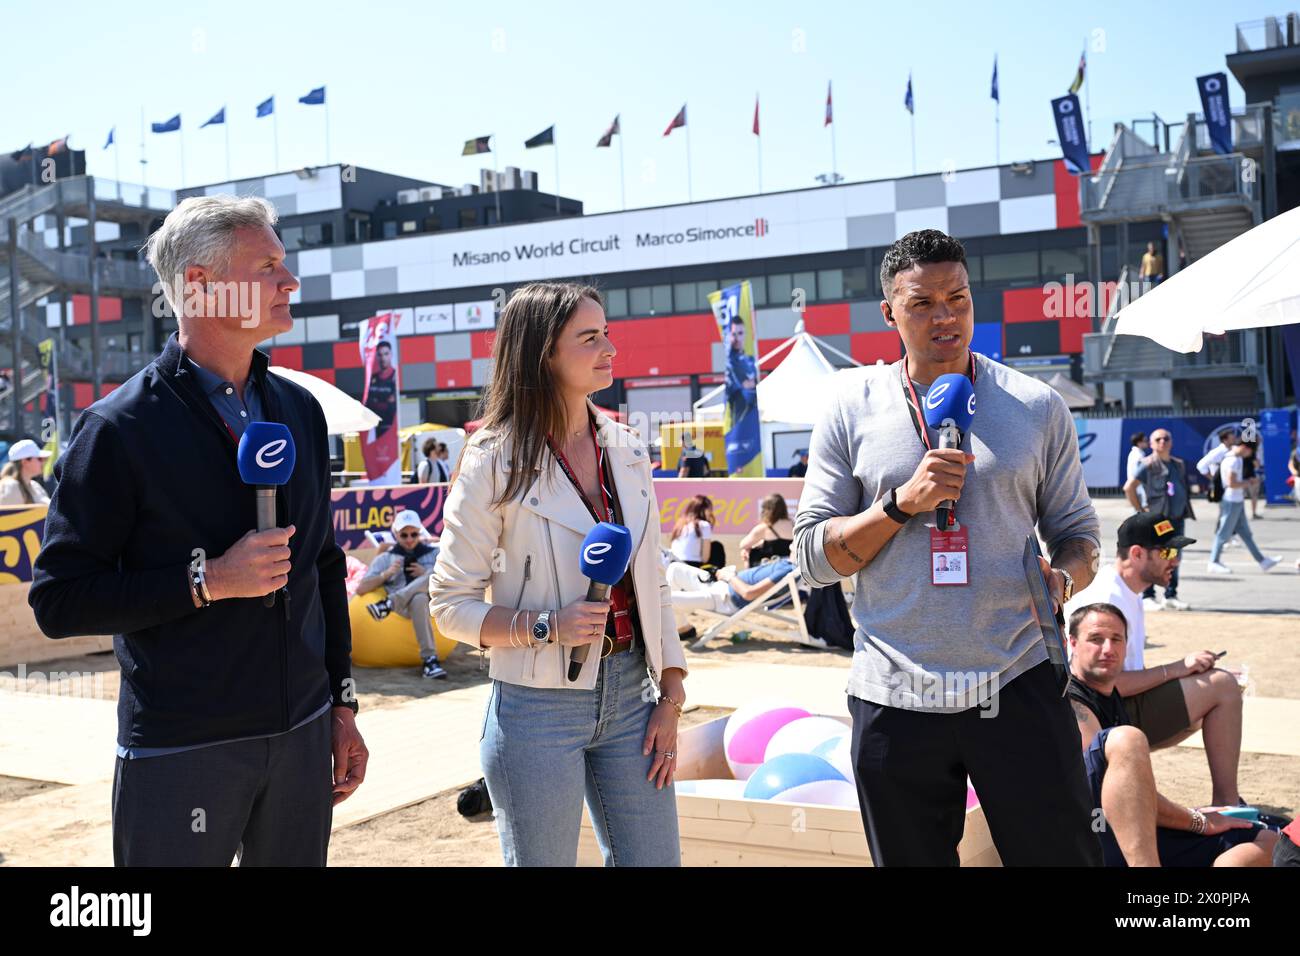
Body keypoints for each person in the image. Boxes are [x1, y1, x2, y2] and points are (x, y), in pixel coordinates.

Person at [29, 195, 366, 866]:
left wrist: (341, 703)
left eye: (285, 264)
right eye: (267, 265)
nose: (289, 282)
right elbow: (59, 602)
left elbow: (322, 565)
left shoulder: (297, 408)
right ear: (202, 285)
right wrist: (207, 581)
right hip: (183, 748)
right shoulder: (117, 431)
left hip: (301, 732)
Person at [793, 229, 1103, 866]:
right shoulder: (851, 406)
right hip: (893, 696)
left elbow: (1080, 536)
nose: (945, 317)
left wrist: (1064, 579)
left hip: (1016, 683)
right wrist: (901, 503)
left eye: (957, 298)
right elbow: (811, 558)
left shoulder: (1036, 405)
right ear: (889, 313)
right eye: (923, 303)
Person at [428, 282, 687, 867]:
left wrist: (671, 691)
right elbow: (448, 605)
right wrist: (546, 626)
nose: (610, 348)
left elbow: (655, 578)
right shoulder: (492, 458)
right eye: (589, 337)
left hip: (633, 699)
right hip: (534, 708)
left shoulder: (625, 446)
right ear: (543, 352)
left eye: (608, 333)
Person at [1067, 603, 1275, 867]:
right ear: (1072, 642)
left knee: (1266, 840)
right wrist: (1198, 820)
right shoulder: (1074, 705)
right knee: (1259, 841)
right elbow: (1122, 799)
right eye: (1096, 639)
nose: (1108, 649)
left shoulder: (1106, 689)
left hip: (1132, 829)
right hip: (1103, 841)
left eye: (1116, 639)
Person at [1065, 513, 1245, 805]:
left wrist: (1186, 671)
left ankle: (1225, 801)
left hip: (1111, 706)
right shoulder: (1109, 597)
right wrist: (1178, 668)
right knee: (1222, 687)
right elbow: (1110, 682)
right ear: (1136, 554)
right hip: (1101, 713)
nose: (1175, 560)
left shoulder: (1126, 591)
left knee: (1213, 690)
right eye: (1168, 552)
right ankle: (1227, 803)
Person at [358, 509, 444, 678]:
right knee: (424, 587)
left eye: (414, 534)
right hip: (402, 610)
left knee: (430, 579)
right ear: (396, 534)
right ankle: (430, 662)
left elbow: (450, 579)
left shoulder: (434, 554)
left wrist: (425, 573)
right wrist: (386, 574)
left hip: (428, 606)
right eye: (404, 535)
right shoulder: (385, 558)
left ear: (419, 532)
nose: (410, 539)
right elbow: (361, 588)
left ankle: (389, 603)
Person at [1123, 428, 1194, 611]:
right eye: (1158, 439)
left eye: (1166, 438)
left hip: (1177, 519)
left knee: (1173, 557)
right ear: (1152, 444)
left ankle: (1171, 595)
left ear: (1171, 442)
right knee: (1154, 557)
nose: (1162, 442)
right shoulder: (1147, 464)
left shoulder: (1178, 464)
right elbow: (1129, 488)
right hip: (1158, 521)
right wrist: (1140, 510)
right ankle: (1148, 595)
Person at [1207, 440, 1281, 573]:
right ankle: (1213, 561)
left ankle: (1262, 561)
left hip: (1236, 500)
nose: (1250, 455)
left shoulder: (1233, 457)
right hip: (1231, 501)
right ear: (1245, 448)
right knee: (1223, 533)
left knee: (1246, 534)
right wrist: (1249, 482)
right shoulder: (1234, 460)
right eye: (1250, 452)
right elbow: (1231, 483)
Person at [738, 492, 793, 566]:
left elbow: (742, 544)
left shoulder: (765, 528)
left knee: (747, 551)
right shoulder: (793, 524)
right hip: (790, 565)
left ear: (766, 510)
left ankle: (749, 576)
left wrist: (749, 548)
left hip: (771, 567)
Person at [0, 439, 52, 505]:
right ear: (25, 461)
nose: (43, 462)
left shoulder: (35, 485)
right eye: (39, 459)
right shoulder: (10, 486)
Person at [669, 494, 714, 565]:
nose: (711, 513)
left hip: (673, 565)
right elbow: (705, 558)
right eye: (710, 509)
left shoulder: (680, 524)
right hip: (691, 567)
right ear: (704, 510)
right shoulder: (704, 525)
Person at [1196, 429, 1237, 504]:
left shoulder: (1234, 450)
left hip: (1232, 487)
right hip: (1221, 487)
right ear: (1225, 440)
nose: (1235, 439)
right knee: (1226, 510)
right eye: (1232, 438)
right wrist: (1213, 478)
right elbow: (1201, 465)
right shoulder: (1217, 452)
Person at [366, 340, 398, 436]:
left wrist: (377, 403)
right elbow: (368, 403)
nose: (383, 358)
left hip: (391, 428)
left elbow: (391, 406)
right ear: (376, 356)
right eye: (380, 355)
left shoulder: (396, 377)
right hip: (374, 428)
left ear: (391, 355)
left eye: (386, 354)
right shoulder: (372, 378)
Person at [1125, 432, 1148, 510]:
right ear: (1139, 443)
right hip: (1139, 490)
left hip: (1137, 490)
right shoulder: (1138, 455)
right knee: (1141, 515)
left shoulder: (1134, 453)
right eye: (1145, 441)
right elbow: (1139, 475)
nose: (1147, 442)